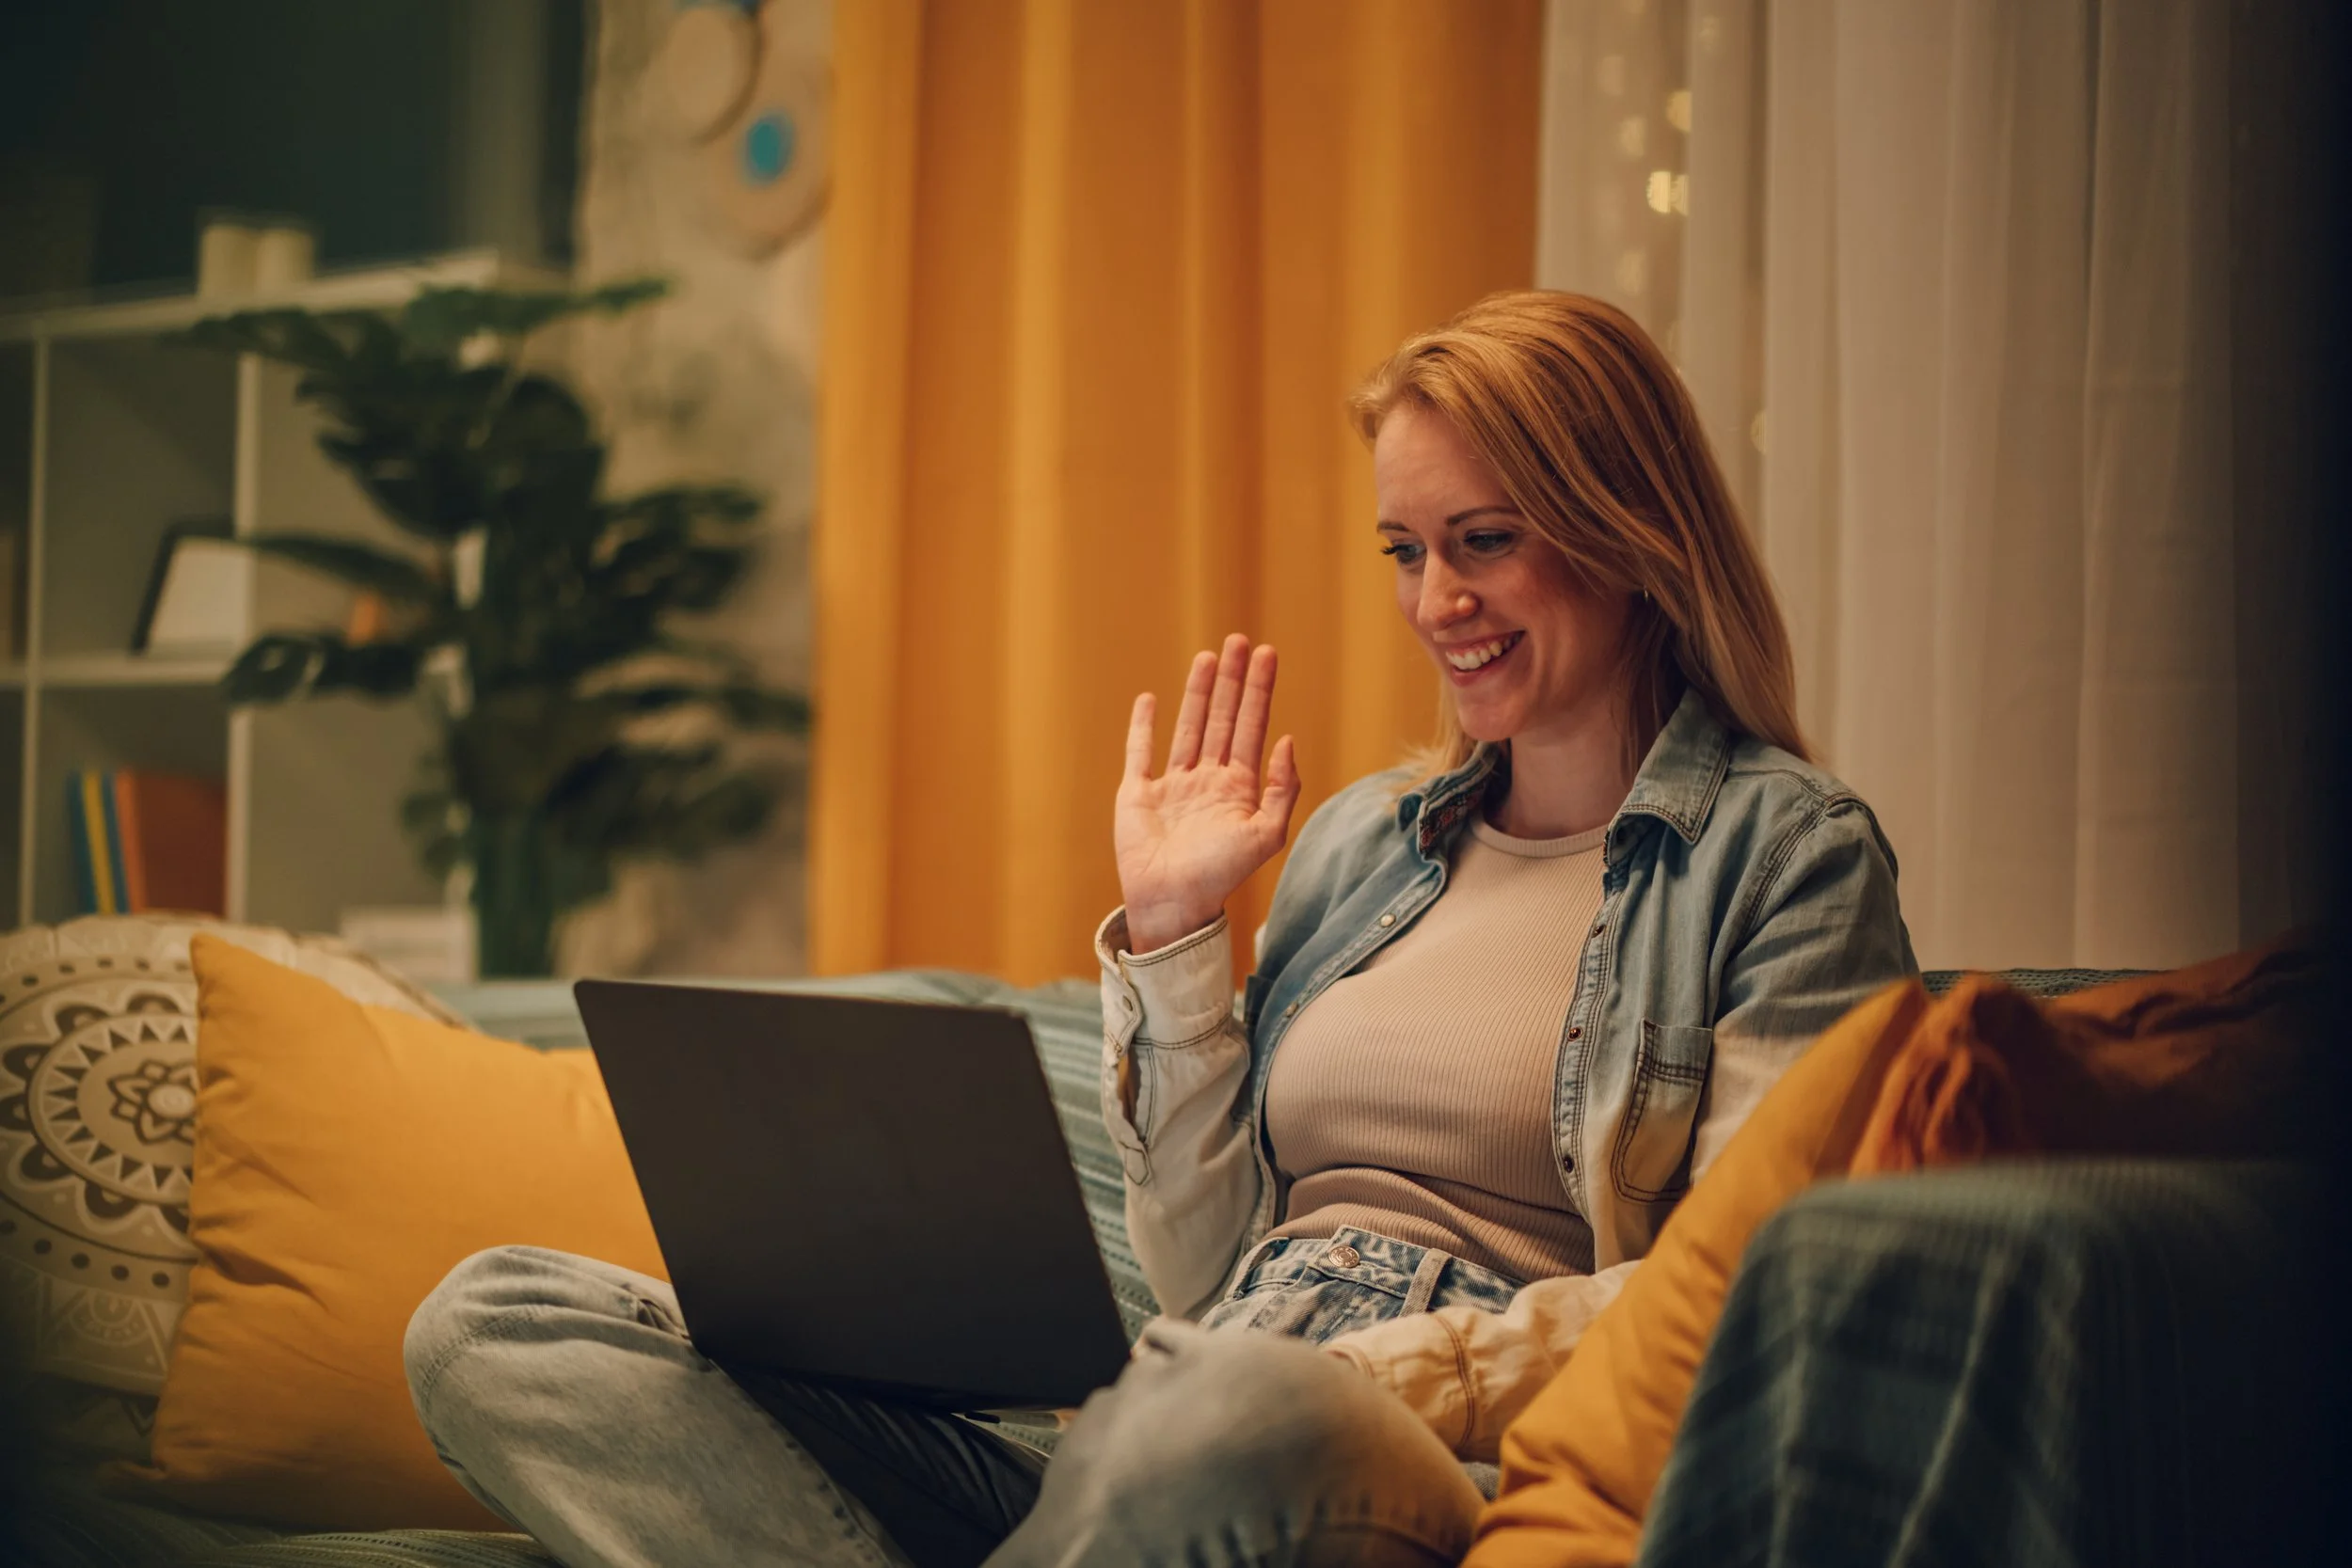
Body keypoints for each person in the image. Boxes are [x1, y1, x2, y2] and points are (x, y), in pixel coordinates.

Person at [402, 292, 1915, 1568]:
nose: (1436, 598)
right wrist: (1183, 932)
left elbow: (1738, 1294)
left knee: (1236, 1414)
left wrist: (1376, 1365)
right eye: (1404, 549)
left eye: (1485, 540)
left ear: (1624, 527)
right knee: (495, 1324)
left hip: (1422, 1450)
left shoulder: (1787, 860)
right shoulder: (1364, 849)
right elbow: (1199, 1278)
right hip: (1174, 1416)